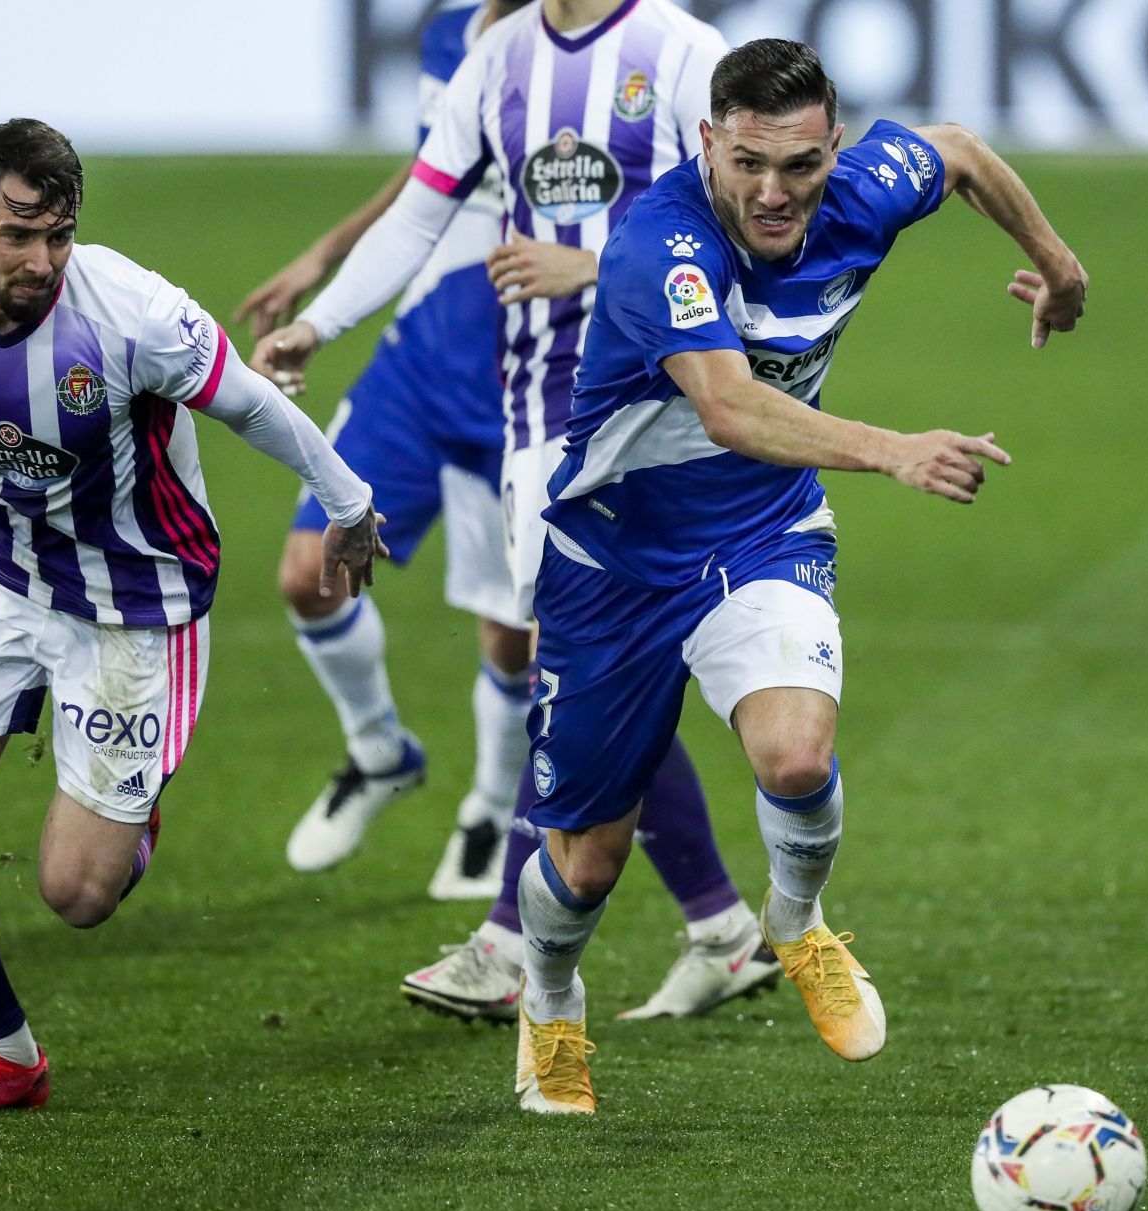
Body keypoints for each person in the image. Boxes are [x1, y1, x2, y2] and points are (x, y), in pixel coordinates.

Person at [508, 38, 1089, 1112]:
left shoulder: (865, 192)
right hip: (613, 562)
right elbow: (729, 406)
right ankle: (549, 1000)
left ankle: (796, 919)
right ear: (708, 144)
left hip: (761, 532)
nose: (775, 193)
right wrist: (894, 448)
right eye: (749, 165)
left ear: (835, 150)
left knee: (793, 749)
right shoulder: (660, 244)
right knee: (586, 864)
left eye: (802, 166)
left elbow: (957, 151)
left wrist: (1060, 267)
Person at [254, 0, 781, 1024]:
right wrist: (320, 319)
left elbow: (756, 219)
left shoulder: (678, 51)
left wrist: (593, 267)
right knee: (589, 671)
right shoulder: (494, 59)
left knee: (578, 665)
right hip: (540, 417)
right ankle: (718, 928)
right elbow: (418, 209)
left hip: (655, 406)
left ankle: (512, 941)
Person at [0, 119, 383, 1115]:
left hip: (132, 595)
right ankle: (9, 1056)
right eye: (17, 233)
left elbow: (255, 406)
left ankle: (131, 800)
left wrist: (349, 503)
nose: (40, 260)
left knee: (78, 894)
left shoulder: (131, 312)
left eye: (58, 234)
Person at [237, 0, 533, 897]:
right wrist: (324, 257)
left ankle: (489, 806)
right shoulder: (447, 33)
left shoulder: (598, 48)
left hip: (522, 386)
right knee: (306, 572)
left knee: (513, 634)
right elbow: (427, 178)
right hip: (417, 365)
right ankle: (379, 752)